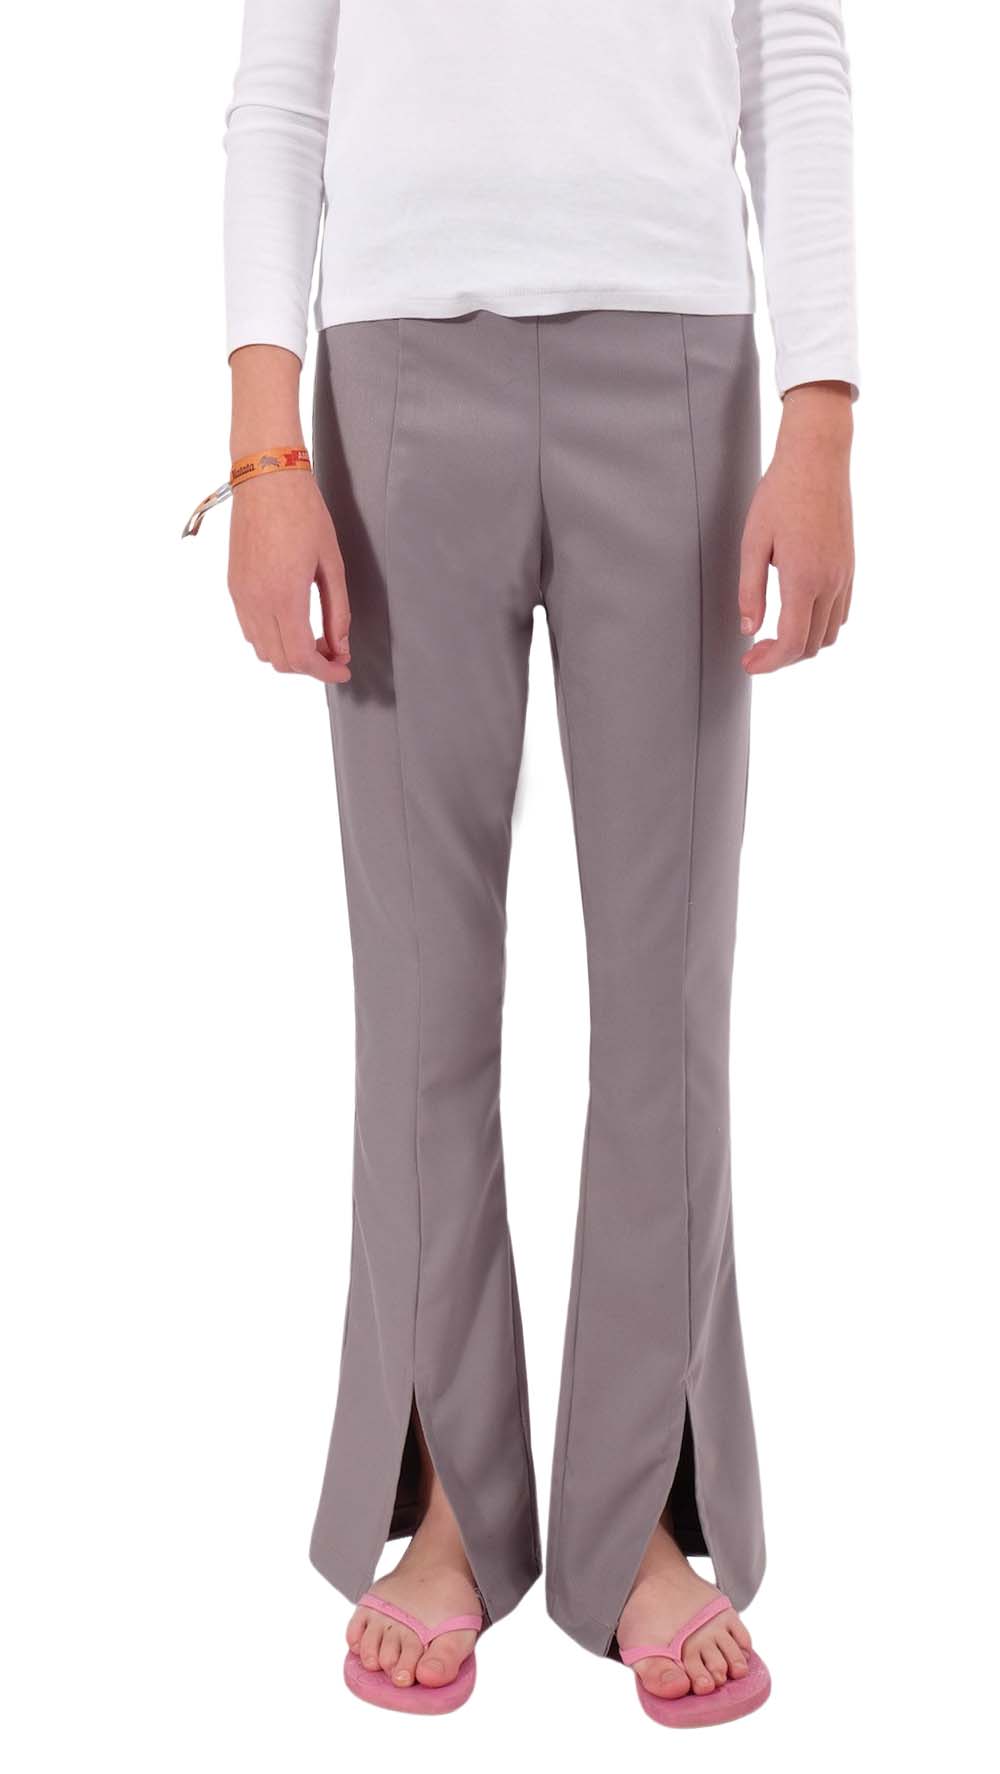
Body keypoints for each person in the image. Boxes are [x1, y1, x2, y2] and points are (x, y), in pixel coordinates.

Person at [207, 0, 858, 1728]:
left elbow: (795, 49)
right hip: (399, 364)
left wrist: (822, 417)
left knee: (666, 1000)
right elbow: (281, 93)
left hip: (680, 354)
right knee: (422, 1001)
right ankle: (448, 1497)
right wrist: (266, 448)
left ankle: (636, 1507)